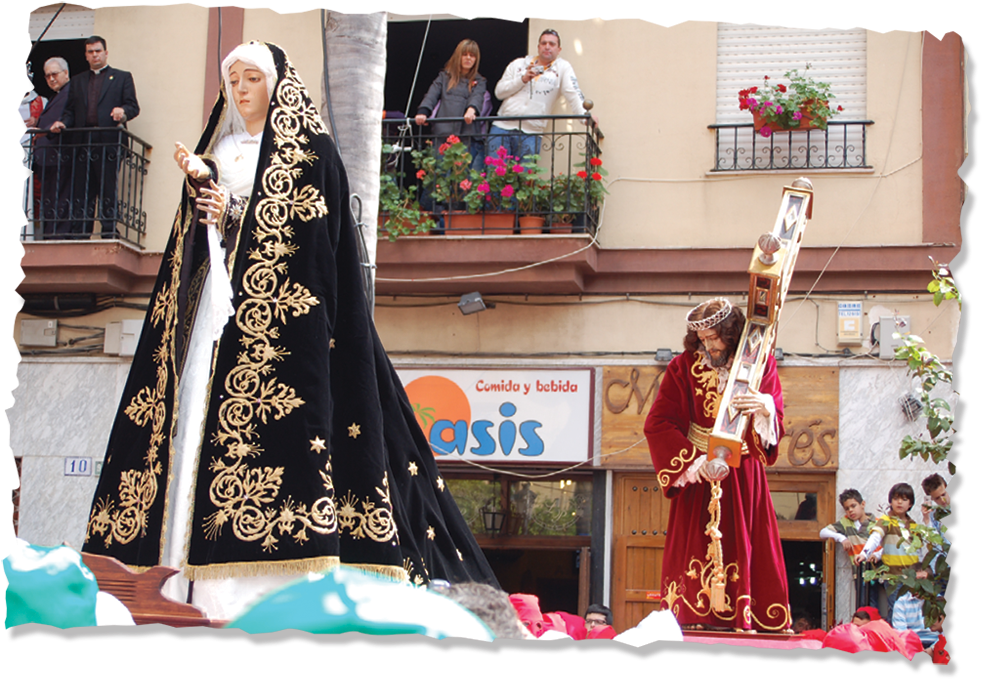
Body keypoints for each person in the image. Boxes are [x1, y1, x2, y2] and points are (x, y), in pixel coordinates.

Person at [81, 42, 497, 621]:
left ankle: (260, 591)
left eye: (253, 78)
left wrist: (235, 210)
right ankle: (174, 582)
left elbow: (313, 239)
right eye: (234, 79)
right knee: (191, 422)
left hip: (283, 331)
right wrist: (207, 203)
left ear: (277, 85)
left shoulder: (311, 151)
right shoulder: (219, 149)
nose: (242, 89)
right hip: (215, 316)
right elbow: (193, 245)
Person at [644, 298, 791, 631]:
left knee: (748, 542)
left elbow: (775, 418)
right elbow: (658, 422)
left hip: (743, 473)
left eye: (714, 338)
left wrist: (765, 407)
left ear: (731, 333)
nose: (708, 346)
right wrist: (693, 462)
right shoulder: (683, 366)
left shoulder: (760, 362)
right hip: (699, 472)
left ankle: (748, 616)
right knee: (694, 544)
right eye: (702, 339)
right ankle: (694, 617)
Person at [49, 36, 139, 238]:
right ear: (86, 56)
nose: (94, 55)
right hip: (83, 141)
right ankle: (81, 232)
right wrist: (63, 123)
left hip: (108, 141)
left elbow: (133, 106)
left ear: (106, 53)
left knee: (107, 187)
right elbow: (70, 111)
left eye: (98, 51)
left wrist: (123, 112)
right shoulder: (78, 80)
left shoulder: (122, 77)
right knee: (82, 188)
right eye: (90, 52)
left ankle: (109, 230)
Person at [490, 29, 595, 162]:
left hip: (531, 132)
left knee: (526, 174)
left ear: (559, 49)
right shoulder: (518, 64)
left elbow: (573, 92)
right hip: (502, 127)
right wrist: (522, 79)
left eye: (552, 44)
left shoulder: (562, 68)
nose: (547, 46)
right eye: (544, 43)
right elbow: (499, 92)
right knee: (495, 173)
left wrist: (585, 116)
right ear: (538, 47)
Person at [857, 482, 926, 622]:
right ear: (890, 501)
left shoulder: (914, 525)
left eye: (904, 499)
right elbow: (875, 537)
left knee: (912, 613)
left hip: (913, 578)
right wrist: (865, 553)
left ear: (910, 504)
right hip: (894, 577)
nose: (899, 502)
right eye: (896, 498)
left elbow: (918, 551)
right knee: (896, 611)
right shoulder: (886, 521)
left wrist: (922, 571)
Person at [415, 39, 488, 169]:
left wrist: (472, 109)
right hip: (443, 133)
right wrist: (423, 111)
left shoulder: (480, 81)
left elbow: (477, 96)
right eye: (465, 54)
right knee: (440, 173)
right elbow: (432, 94)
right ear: (458, 56)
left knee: (462, 175)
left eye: (472, 56)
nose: (468, 58)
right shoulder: (444, 77)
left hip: (466, 135)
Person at [820, 488, 882, 609]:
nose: (850, 510)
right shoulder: (846, 523)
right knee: (862, 605)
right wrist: (841, 538)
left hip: (877, 571)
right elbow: (823, 532)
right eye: (847, 508)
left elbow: (886, 545)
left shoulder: (877, 523)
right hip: (859, 572)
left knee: (874, 605)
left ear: (862, 504)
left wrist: (877, 555)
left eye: (853, 506)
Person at [31, 57, 72, 237]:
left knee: (59, 199)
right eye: (47, 76)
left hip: (59, 156)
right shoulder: (57, 95)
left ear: (66, 73)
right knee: (50, 201)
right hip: (48, 159)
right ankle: (50, 234)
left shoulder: (71, 92)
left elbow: (68, 118)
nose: (51, 79)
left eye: (54, 74)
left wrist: (44, 131)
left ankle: (56, 236)